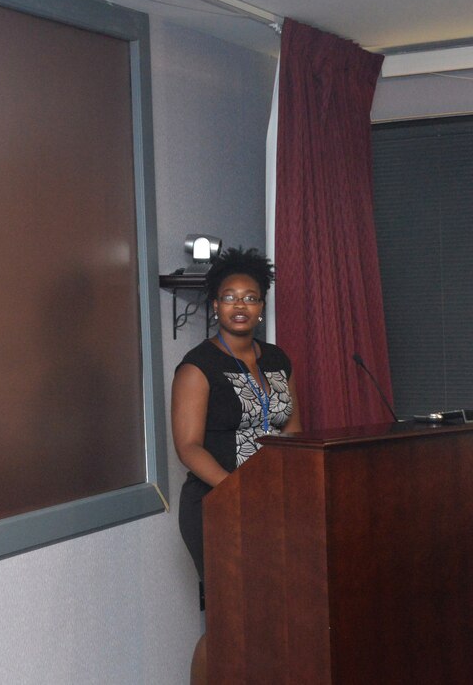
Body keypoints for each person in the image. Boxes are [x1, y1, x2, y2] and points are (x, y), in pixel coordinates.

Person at [171, 247, 302, 684]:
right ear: (215, 306)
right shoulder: (198, 366)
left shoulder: (278, 360)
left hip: (276, 505)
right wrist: (237, 491)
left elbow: (294, 430)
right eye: (230, 297)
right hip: (218, 506)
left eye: (250, 297)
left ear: (262, 307)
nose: (240, 305)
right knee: (228, 622)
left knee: (271, 616)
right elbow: (188, 446)